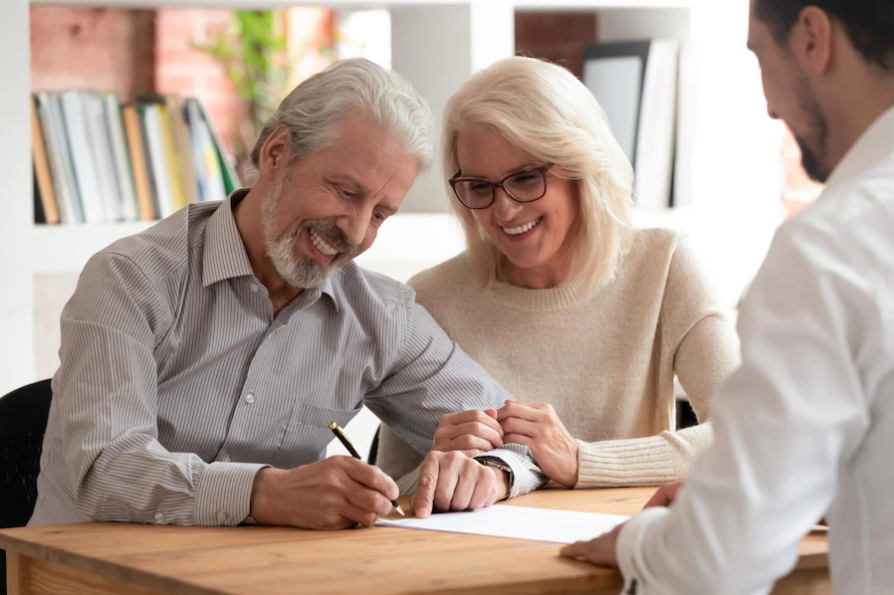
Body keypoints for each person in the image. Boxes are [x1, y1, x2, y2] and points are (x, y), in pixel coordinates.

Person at [29, 58, 547, 531]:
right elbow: (102, 468)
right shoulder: (129, 279)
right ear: (276, 153)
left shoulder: (381, 317)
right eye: (346, 192)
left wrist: (492, 471)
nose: (356, 230)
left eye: (381, 213)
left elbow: (519, 436)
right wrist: (264, 492)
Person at [560, 1, 894, 593]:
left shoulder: (830, 250)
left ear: (813, 39)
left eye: (760, 57)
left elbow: (719, 561)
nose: (769, 105)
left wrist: (643, 541)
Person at [376, 56, 740, 490]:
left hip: (625, 545)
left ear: (581, 169)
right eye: (480, 187)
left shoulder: (665, 266)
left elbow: (749, 433)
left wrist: (582, 461)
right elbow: (391, 493)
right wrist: (438, 467)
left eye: (526, 178)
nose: (504, 209)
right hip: (482, 554)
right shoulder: (431, 299)